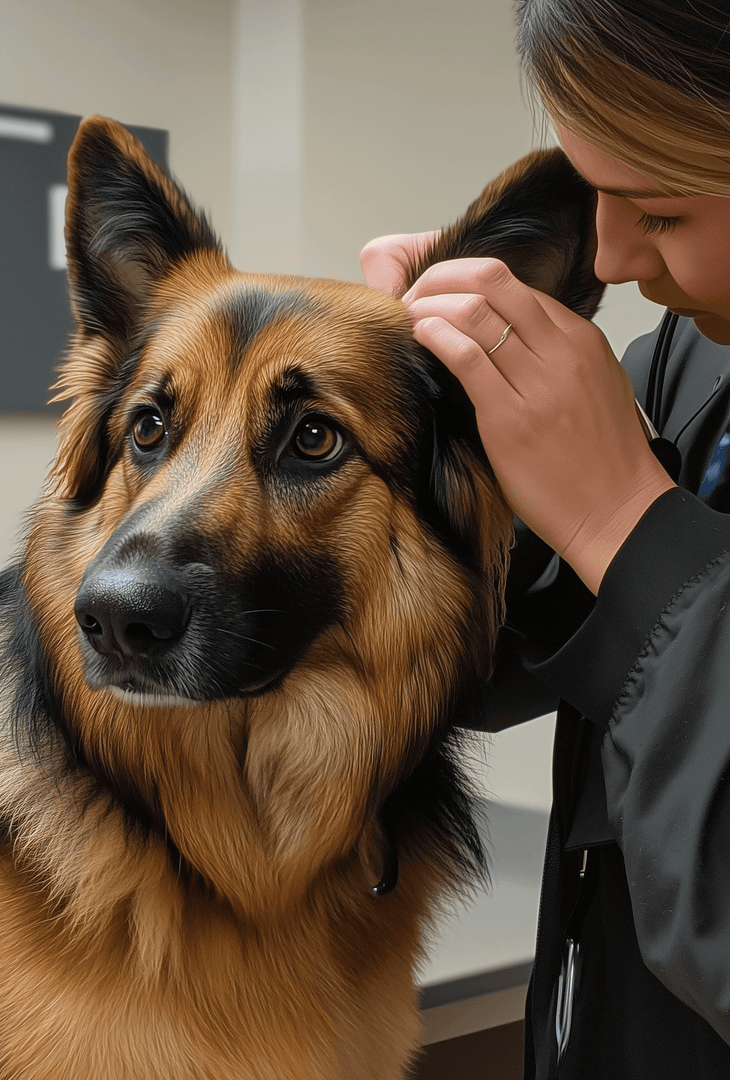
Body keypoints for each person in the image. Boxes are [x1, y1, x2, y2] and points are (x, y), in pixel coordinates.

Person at [360, 2, 730, 1077]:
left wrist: (628, 522)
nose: (610, 261)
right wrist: (464, 446)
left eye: (657, 212)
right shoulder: (693, 363)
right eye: (598, 196)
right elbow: (505, 661)